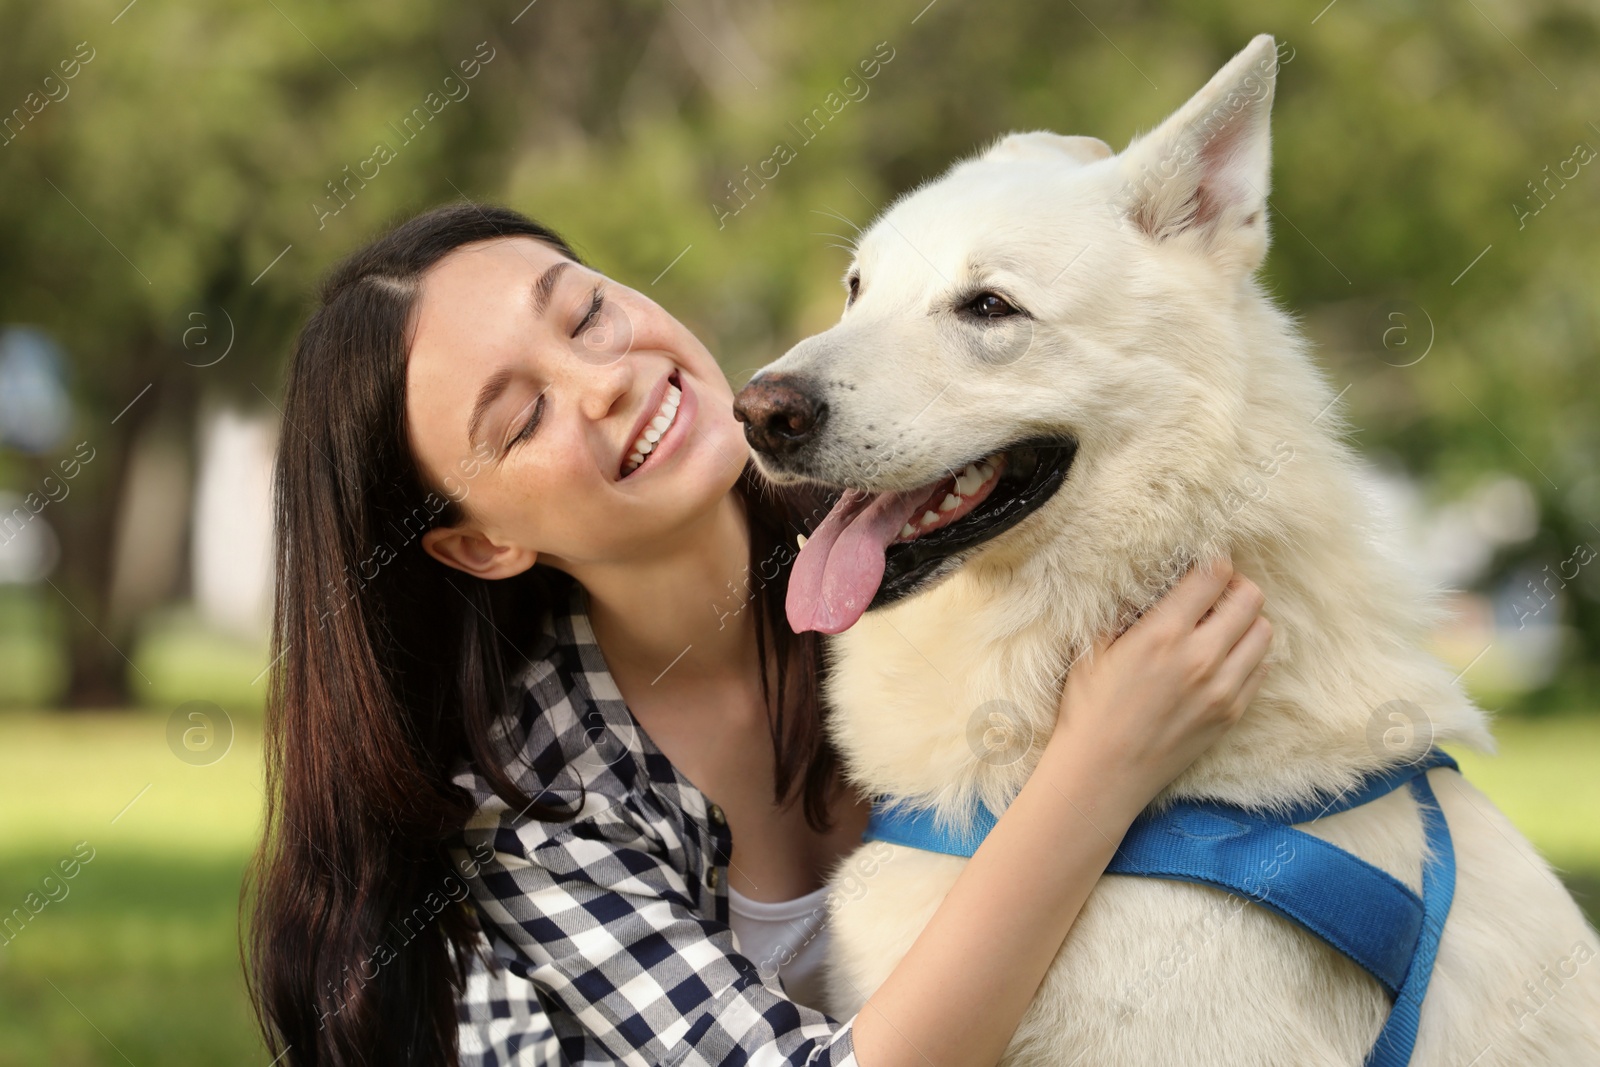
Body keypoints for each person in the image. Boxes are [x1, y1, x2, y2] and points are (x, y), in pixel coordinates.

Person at [245, 202, 1272, 1066]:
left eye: (589, 312)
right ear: (481, 546)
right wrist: (1099, 764)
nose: (601, 379)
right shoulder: (535, 801)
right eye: (520, 420)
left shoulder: (916, 523)